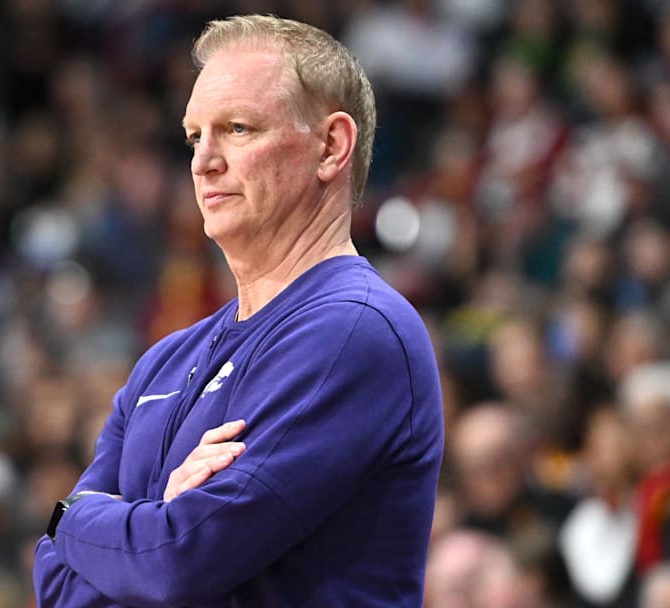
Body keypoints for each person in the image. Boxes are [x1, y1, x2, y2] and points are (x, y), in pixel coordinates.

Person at [31, 14, 444, 607]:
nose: (203, 163)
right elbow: (55, 585)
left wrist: (76, 522)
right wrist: (150, 530)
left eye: (238, 128)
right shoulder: (162, 362)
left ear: (331, 146)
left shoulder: (356, 330)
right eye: (195, 136)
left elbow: (180, 559)